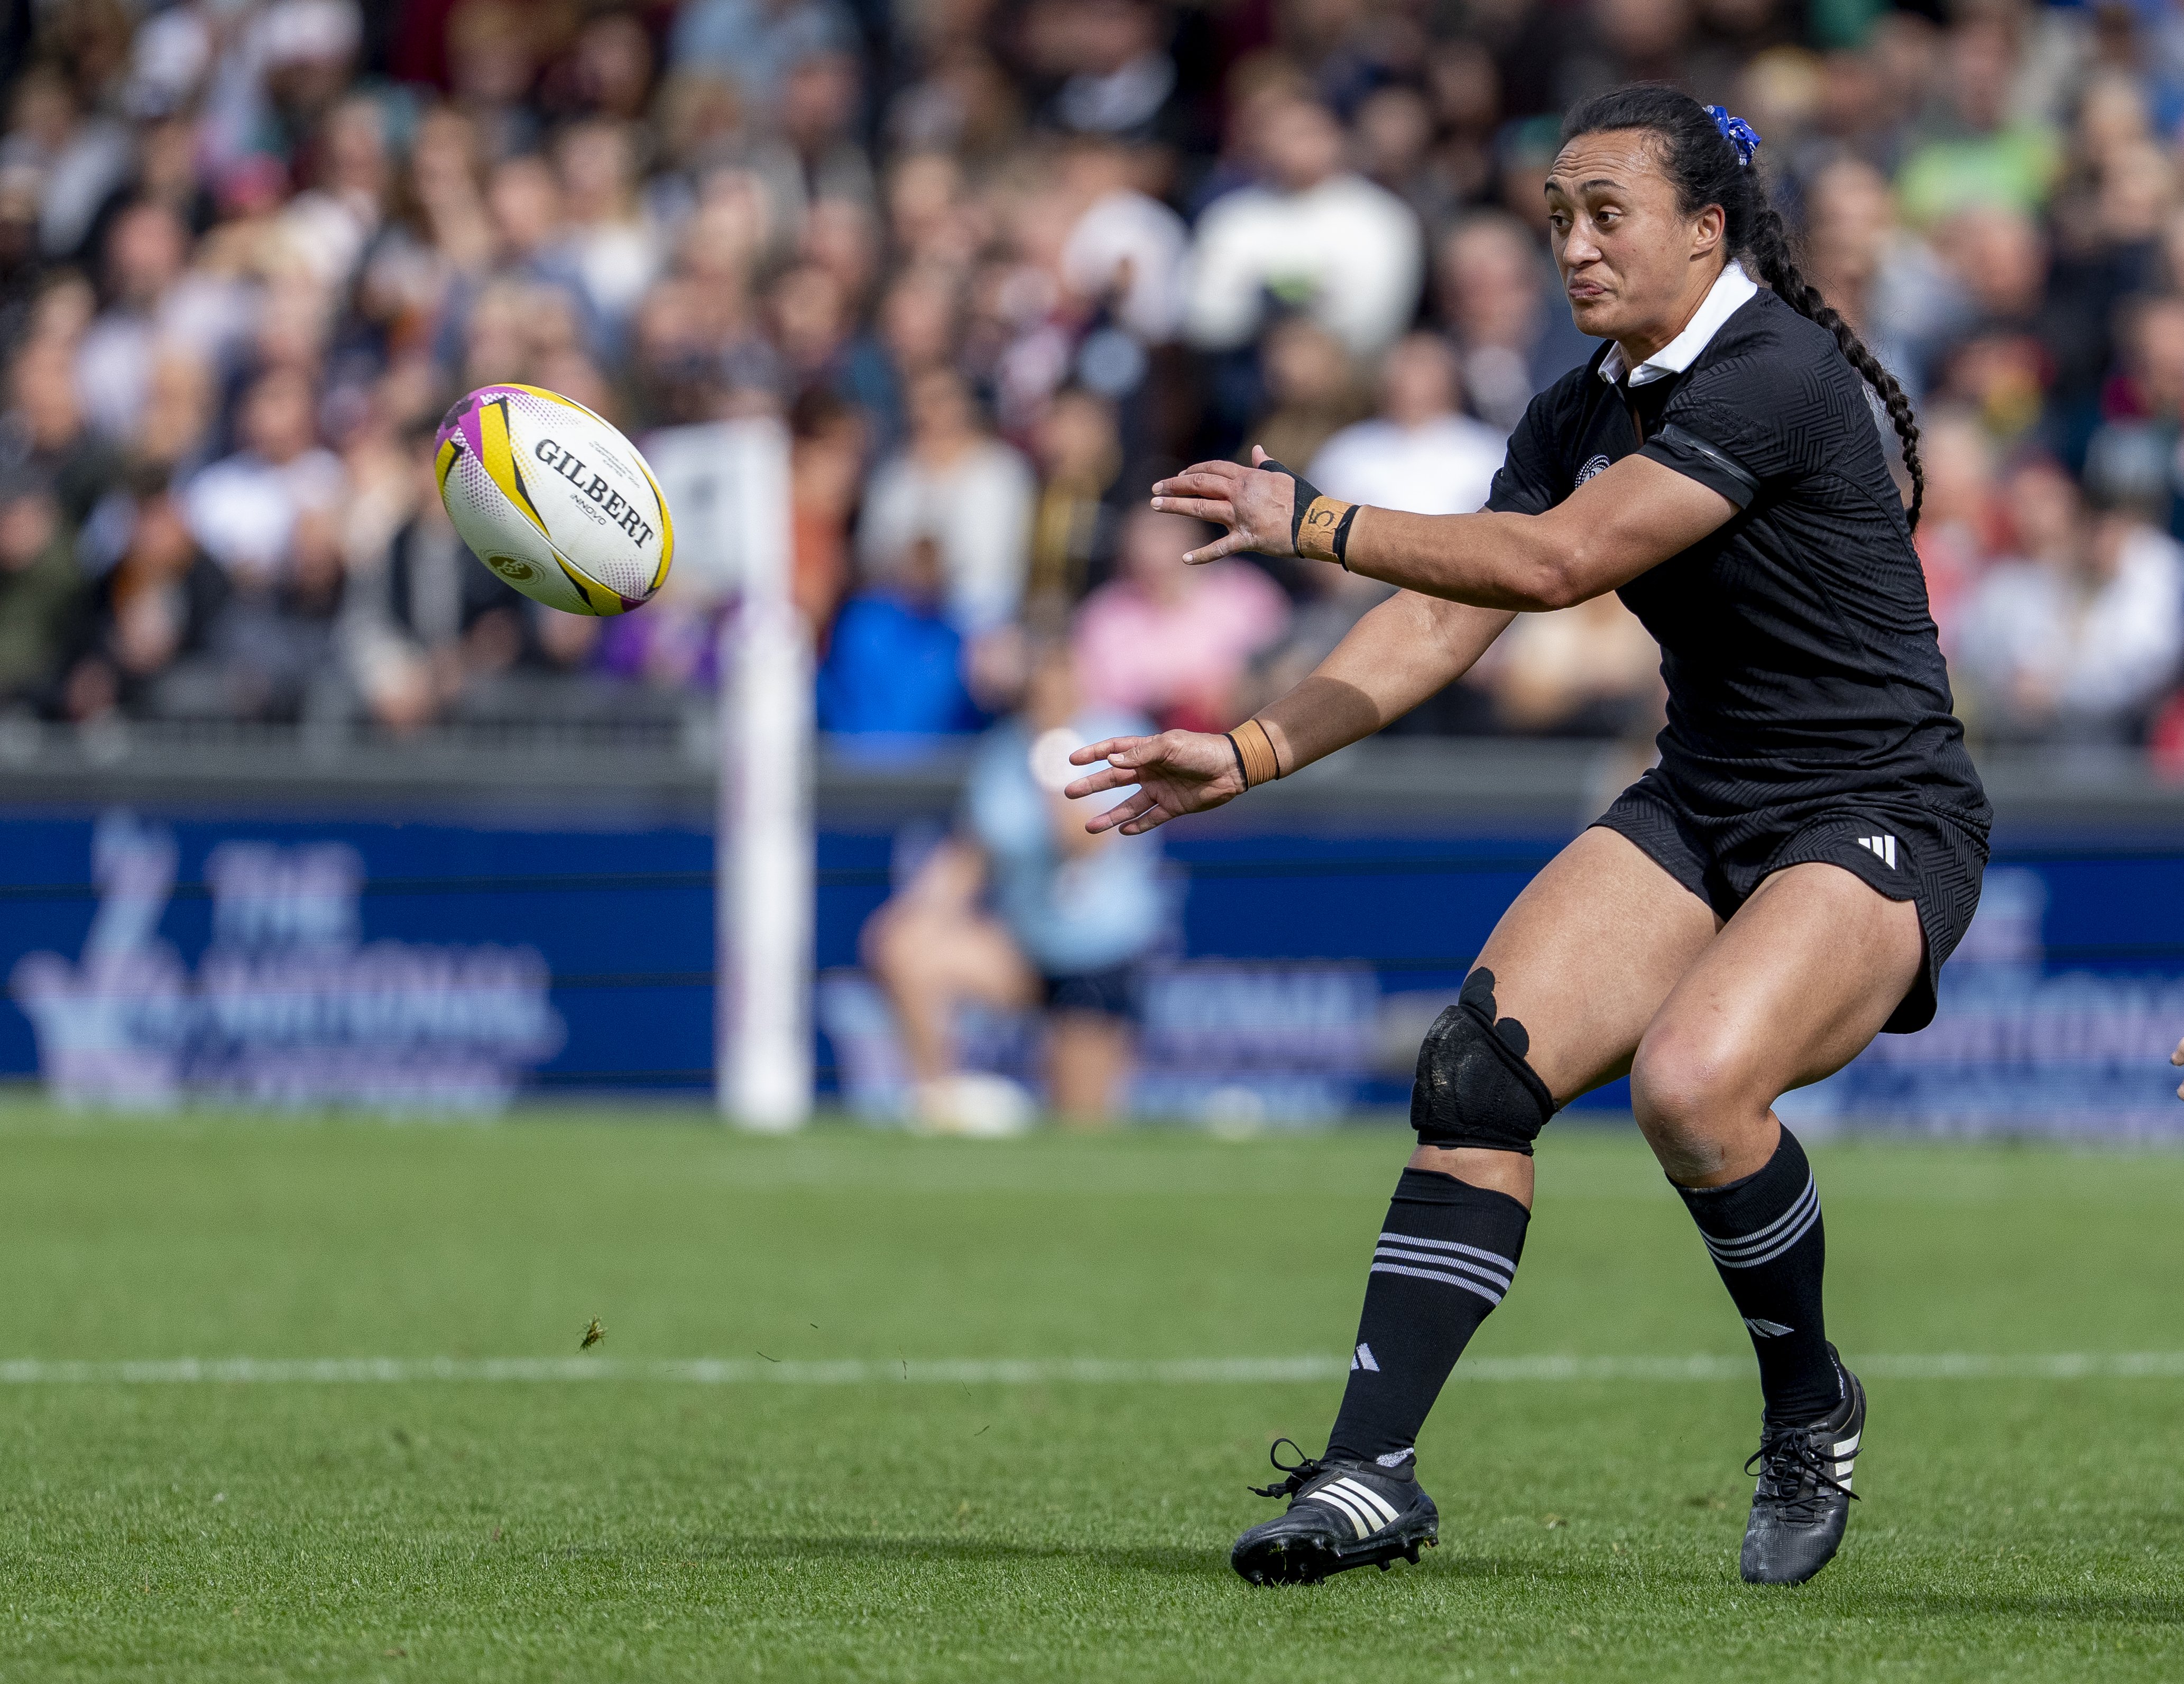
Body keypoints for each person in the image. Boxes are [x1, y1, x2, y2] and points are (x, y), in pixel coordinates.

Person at [1066, 88, 1990, 1589]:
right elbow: (1447, 615)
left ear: (1707, 230)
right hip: (1705, 800)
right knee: (1471, 1074)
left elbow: (1559, 563)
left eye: (1605, 213)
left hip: (1879, 813)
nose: (1572, 243)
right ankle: (1368, 1476)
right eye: (1555, 214)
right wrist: (1248, 751)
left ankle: (1808, 1400)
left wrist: (1311, 518)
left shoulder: (1773, 375)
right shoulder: (1579, 406)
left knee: (1694, 1088)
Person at [862, 642, 1167, 1128]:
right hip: (1025, 948)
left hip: (1097, 957)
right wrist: (922, 910)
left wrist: (1051, 757)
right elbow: (972, 852)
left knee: (1080, 1124)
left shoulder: (1121, 739)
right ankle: (938, 1101)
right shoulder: (1002, 749)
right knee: (903, 946)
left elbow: (1083, 842)